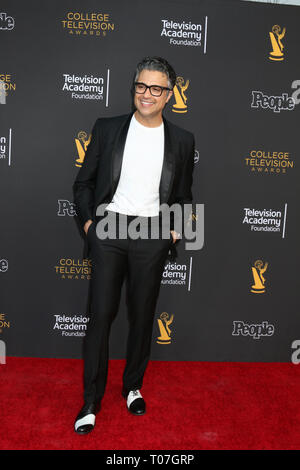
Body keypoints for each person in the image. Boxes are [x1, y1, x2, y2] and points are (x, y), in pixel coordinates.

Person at [72, 56, 195, 434]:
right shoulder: (107, 129)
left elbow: (184, 195)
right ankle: (90, 401)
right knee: (101, 316)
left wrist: (175, 230)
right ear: (134, 87)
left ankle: (132, 387)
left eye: (157, 88)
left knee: (143, 318)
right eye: (142, 86)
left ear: (169, 94)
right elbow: (84, 184)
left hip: (152, 237)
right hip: (108, 232)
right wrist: (91, 225)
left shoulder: (183, 140)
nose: (147, 94)